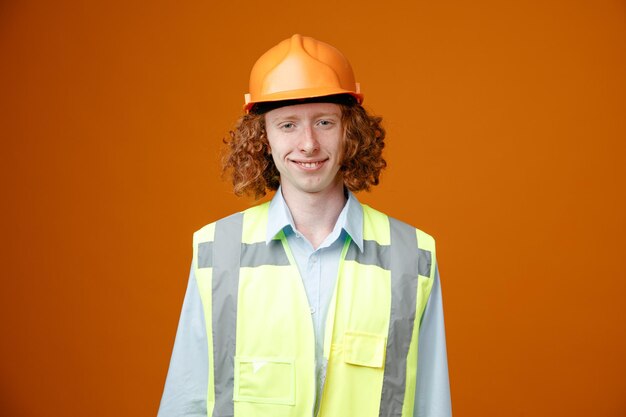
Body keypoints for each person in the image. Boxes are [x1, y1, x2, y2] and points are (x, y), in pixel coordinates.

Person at [157, 34, 452, 417]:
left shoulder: (412, 256)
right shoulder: (218, 249)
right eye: (288, 125)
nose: (308, 144)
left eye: (324, 122)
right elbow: (186, 399)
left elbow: (432, 403)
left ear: (351, 132)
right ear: (262, 138)